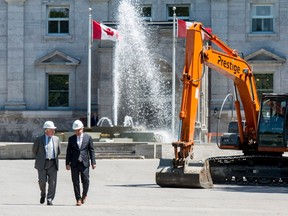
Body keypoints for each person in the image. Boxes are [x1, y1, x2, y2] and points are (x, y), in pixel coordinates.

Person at [66, 120, 96, 206]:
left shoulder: (88, 137)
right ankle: (78, 199)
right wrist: (67, 163)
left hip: (84, 163)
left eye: (78, 130)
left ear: (82, 129)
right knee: (75, 182)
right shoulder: (71, 139)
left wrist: (93, 162)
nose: (77, 132)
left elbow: (91, 150)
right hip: (74, 163)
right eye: (75, 130)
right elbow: (68, 152)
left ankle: (84, 195)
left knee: (86, 180)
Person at [32, 121, 61, 206]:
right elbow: (34, 150)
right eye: (52, 130)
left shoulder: (56, 139)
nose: (54, 132)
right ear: (46, 130)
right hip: (42, 163)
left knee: (52, 182)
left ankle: (50, 198)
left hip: (52, 163)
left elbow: (58, 151)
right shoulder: (39, 139)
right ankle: (43, 194)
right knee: (42, 181)